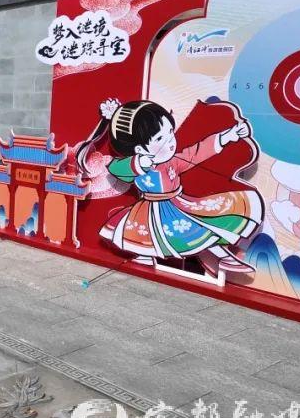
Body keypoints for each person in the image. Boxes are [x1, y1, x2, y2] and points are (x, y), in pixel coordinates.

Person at [77, 98, 262, 281]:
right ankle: (146, 256)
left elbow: (196, 152)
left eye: (170, 132)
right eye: (160, 138)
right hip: (150, 210)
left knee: (202, 229)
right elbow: (116, 168)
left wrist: (227, 136)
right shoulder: (138, 165)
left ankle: (226, 258)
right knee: (149, 236)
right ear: (139, 149)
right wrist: (139, 163)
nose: (170, 141)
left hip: (177, 204)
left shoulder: (172, 162)